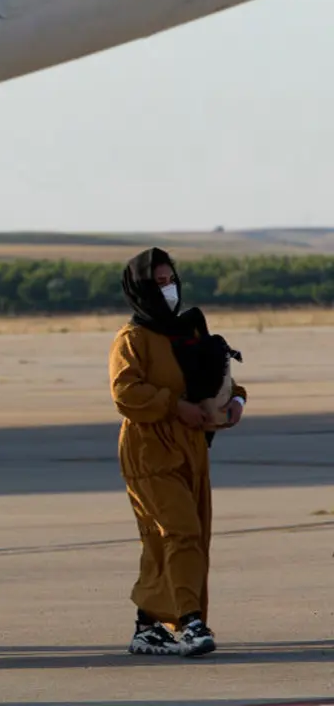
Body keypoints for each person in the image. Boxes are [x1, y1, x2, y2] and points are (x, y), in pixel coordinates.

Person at [110, 247, 246, 658]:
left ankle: (147, 626)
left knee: (168, 538)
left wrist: (235, 401)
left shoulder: (189, 332)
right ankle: (188, 621)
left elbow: (218, 377)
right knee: (180, 530)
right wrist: (174, 405)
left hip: (192, 449)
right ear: (140, 289)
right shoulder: (132, 339)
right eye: (158, 283)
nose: (167, 290)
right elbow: (124, 391)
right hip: (149, 450)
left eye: (171, 281)